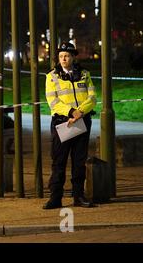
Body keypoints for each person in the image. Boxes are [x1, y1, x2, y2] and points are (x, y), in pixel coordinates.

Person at [43, 42, 97, 209]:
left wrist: (79, 112)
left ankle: (78, 196)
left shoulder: (84, 74)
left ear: (73, 57)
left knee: (79, 162)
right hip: (62, 123)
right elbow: (53, 101)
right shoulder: (52, 76)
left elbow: (92, 98)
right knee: (59, 161)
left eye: (66, 55)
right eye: (60, 56)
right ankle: (55, 198)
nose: (63, 58)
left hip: (81, 121)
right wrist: (71, 112)